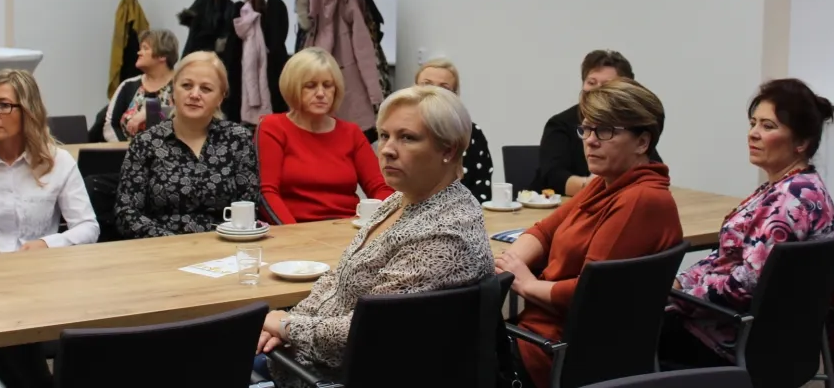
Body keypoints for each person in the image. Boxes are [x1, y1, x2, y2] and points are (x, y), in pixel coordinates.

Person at [255, 86, 495, 387]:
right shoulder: (403, 198)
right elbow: (338, 281)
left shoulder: (444, 234)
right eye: (384, 135)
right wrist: (283, 322)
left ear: (448, 150)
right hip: (307, 355)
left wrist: (285, 325)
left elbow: (368, 330)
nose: (387, 149)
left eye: (407, 138)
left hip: (332, 375)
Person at [496, 78, 682, 388]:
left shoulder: (640, 199)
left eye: (605, 131)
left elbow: (588, 292)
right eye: (587, 129)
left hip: (554, 351)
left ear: (642, 142)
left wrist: (527, 284)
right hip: (543, 335)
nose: (591, 141)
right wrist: (510, 265)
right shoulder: (606, 183)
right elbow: (545, 230)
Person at [0, 69, 100, 388]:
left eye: (3, 105)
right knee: (2, 318)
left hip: (40, 280)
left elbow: (86, 227)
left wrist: (47, 244)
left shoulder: (58, 162)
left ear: (28, 111)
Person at [659, 78, 834, 367]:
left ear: (801, 143)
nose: (753, 133)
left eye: (768, 126)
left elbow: (744, 285)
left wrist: (678, 297)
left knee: (620, 338)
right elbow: (726, 258)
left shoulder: (789, 203)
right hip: (766, 338)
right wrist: (681, 282)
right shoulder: (798, 186)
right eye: (753, 123)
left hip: (731, 341)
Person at [114, 51, 260, 238]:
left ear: (220, 98)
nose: (194, 94)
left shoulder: (238, 139)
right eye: (186, 85)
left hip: (224, 244)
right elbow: (126, 213)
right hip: (161, 246)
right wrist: (171, 242)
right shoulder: (145, 143)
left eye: (206, 89)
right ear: (173, 90)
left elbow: (250, 205)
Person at [257, 47, 393, 224]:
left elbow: (382, 188)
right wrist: (295, 233)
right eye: (310, 86)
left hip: (346, 227)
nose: (321, 93)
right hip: (293, 228)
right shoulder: (273, 127)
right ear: (293, 87)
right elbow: (267, 193)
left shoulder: (351, 133)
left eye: (328, 85)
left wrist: (363, 222)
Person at [532, 49, 660, 196]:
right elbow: (553, 176)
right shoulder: (560, 123)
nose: (597, 90)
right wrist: (596, 185)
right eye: (591, 82)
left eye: (606, 130)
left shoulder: (634, 128)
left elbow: (652, 169)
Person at [414, 57, 494, 203]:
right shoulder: (399, 132)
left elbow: (482, 191)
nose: (434, 92)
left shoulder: (473, 133)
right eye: (427, 84)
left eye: (444, 88)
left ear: (455, 96)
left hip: (463, 213)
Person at [103, 29, 179, 141]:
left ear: (162, 55)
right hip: (127, 150)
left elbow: (190, 117)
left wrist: (151, 112)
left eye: (145, 48)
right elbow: (110, 125)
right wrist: (126, 149)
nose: (138, 53)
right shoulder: (128, 86)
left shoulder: (183, 85)